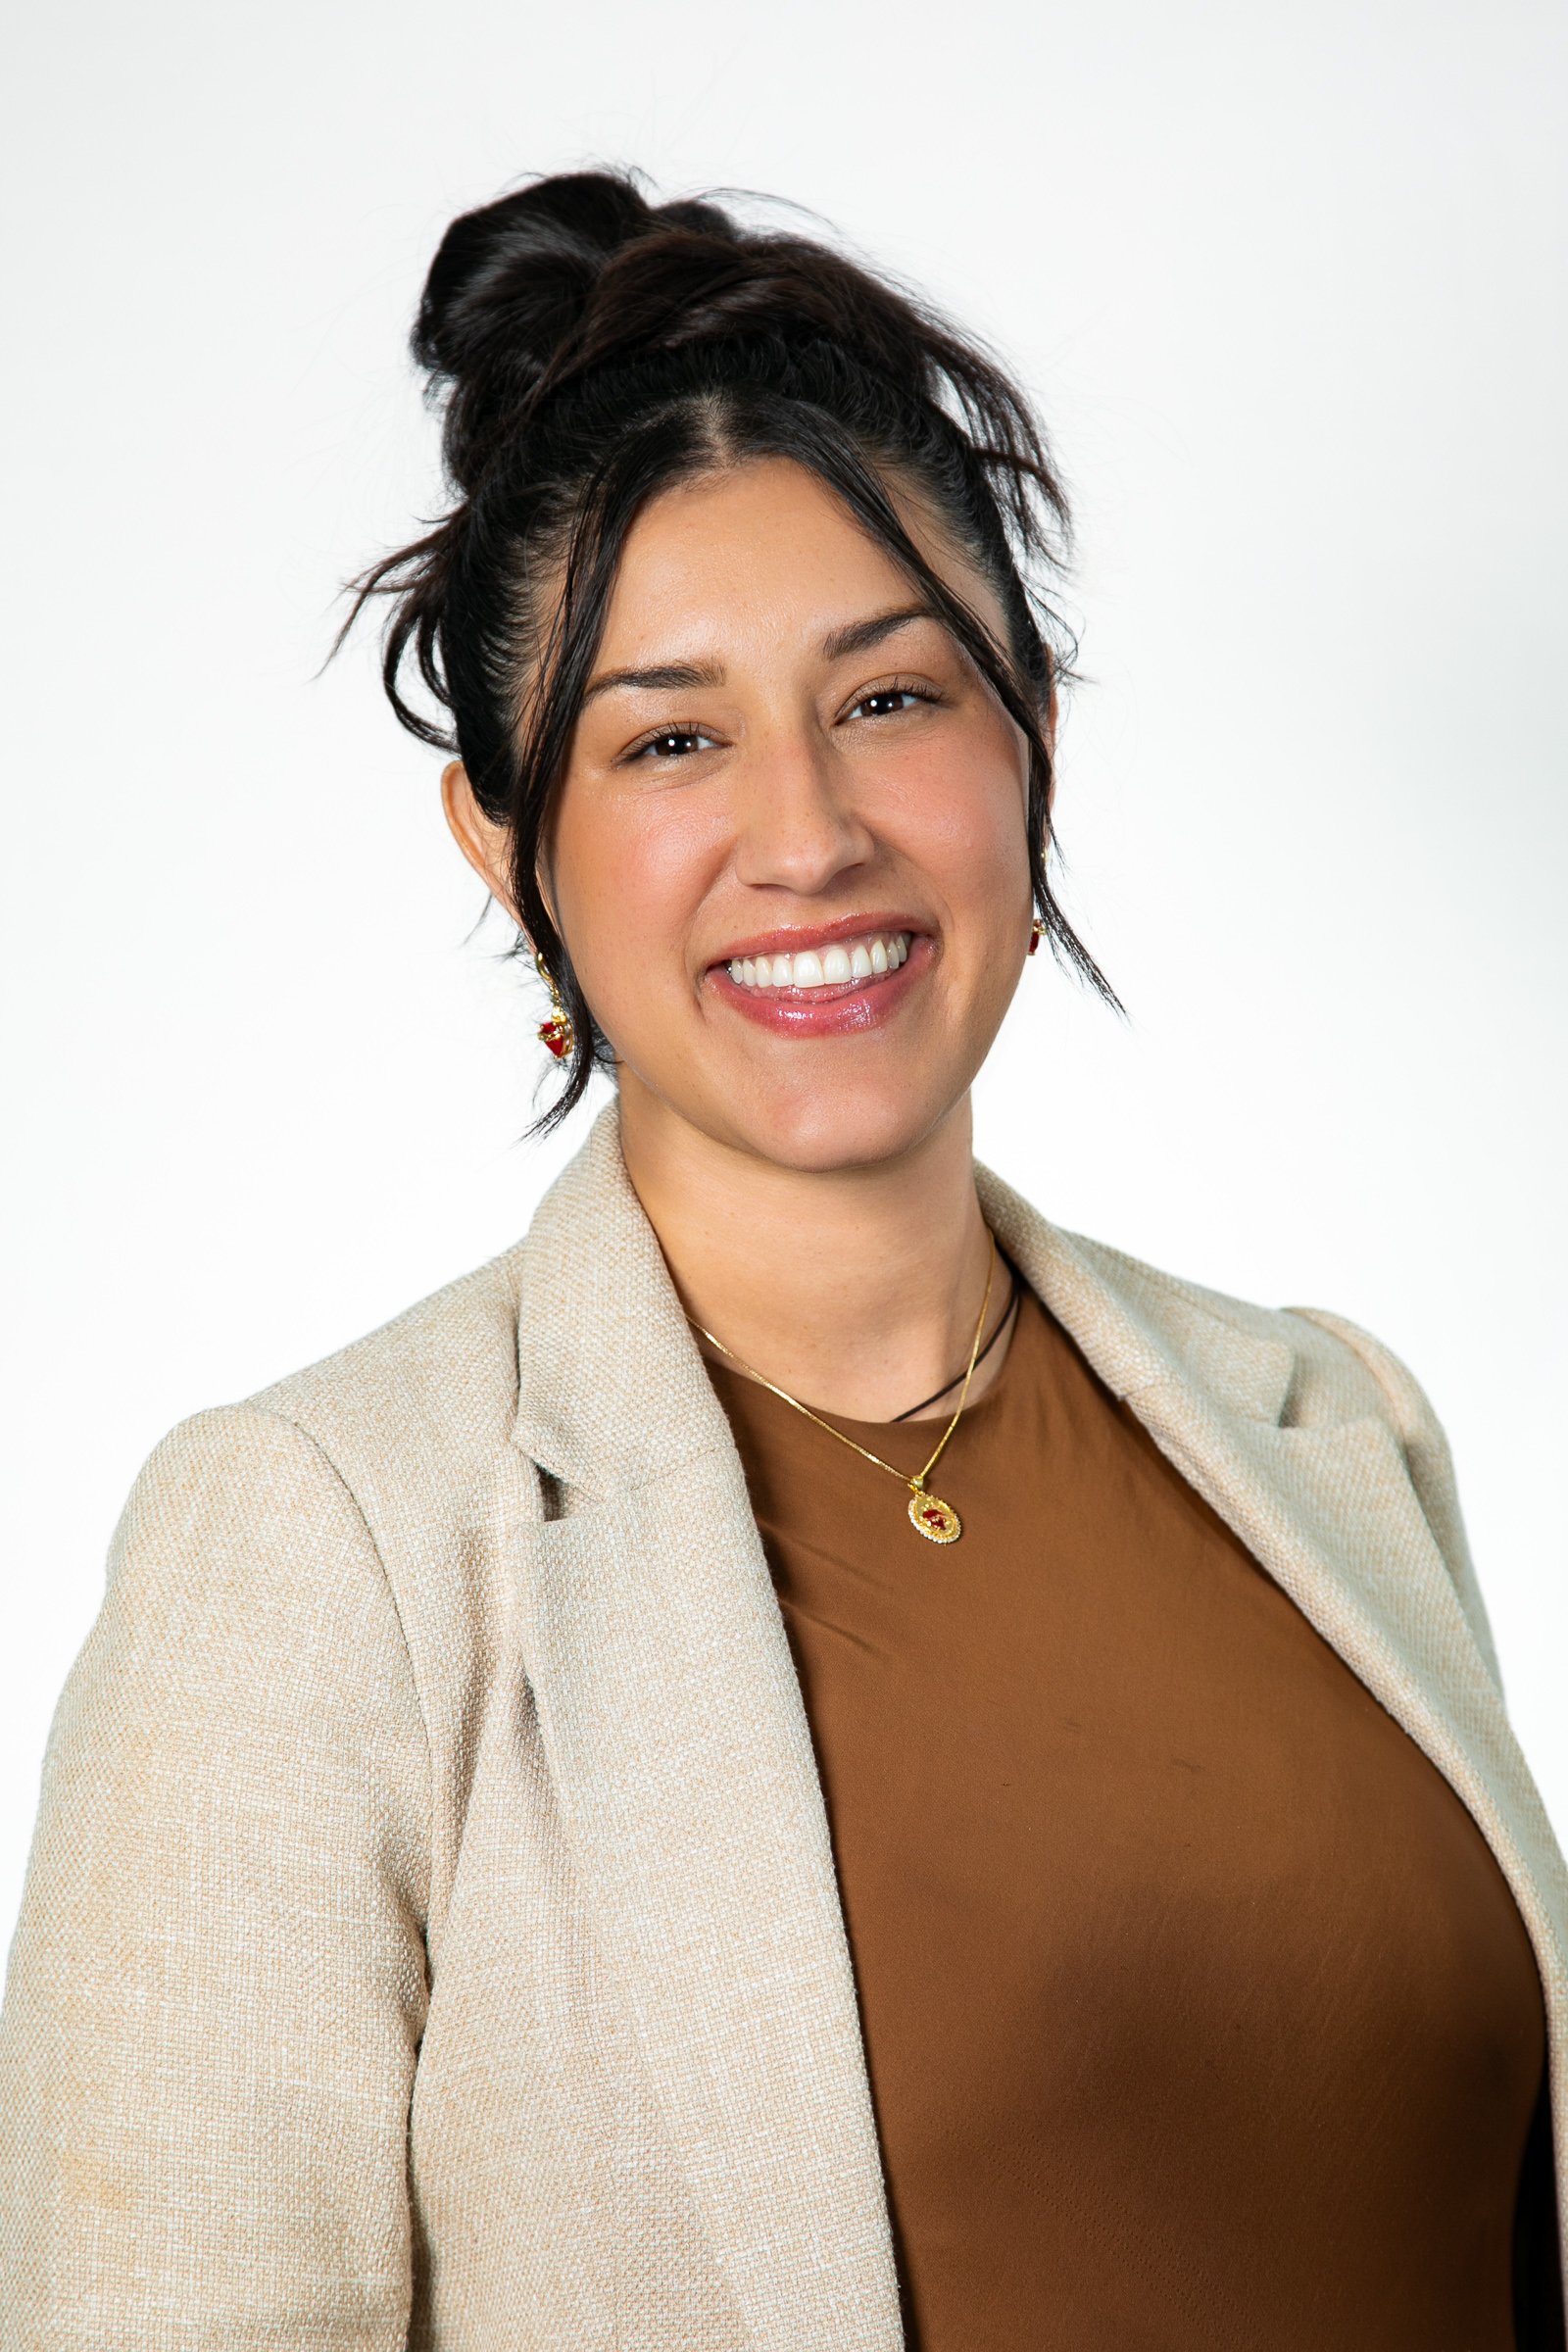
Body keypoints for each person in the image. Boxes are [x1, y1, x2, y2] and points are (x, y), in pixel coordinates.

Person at [0, 167, 1563, 2352]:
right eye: (669, 738)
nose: (810, 834)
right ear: (508, 842)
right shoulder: (317, 1556)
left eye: (891, 699)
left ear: (1030, 733)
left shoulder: (1331, 1425)